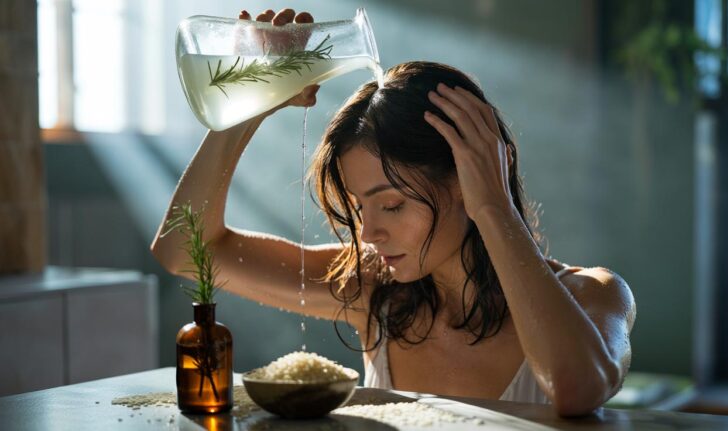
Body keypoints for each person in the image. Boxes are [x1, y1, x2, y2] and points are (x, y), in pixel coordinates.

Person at [151, 8, 636, 417]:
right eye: (361, 206)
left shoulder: (593, 294)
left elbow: (577, 389)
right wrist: (249, 100)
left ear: (469, 178)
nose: (368, 232)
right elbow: (184, 250)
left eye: (391, 204)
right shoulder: (373, 289)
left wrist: (493, 205)